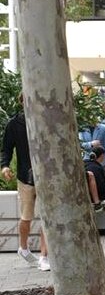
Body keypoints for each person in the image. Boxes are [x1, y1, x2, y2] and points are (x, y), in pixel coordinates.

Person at [1, 99, 50, 271]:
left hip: (46, 177)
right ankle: (23, 248)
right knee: (26, 217)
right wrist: (5, 166)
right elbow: (6, 148)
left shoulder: (46, 120)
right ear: (22, 102)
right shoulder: (14, 124)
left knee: (46, 217)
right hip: (25, 177)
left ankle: (44, 256)